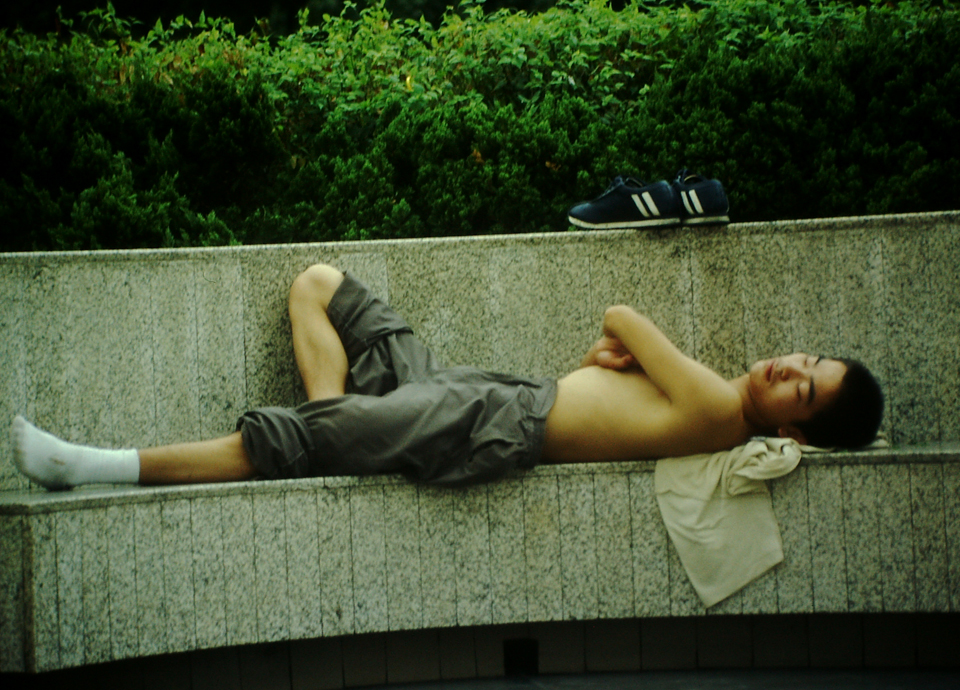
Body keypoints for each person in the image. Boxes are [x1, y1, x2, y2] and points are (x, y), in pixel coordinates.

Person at [13, 263, 884, 490]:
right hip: (486, 392)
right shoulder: (707, 400)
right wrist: (607, 365)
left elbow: (618, 317)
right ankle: (340, 427)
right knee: (320, 288)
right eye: (804, 359)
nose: (785, 367)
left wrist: (617, 351)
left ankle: (94, 467)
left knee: (299, 442)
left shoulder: (720, 408)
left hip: (491, 424)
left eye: (802, 387)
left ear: (793, 430)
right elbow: (599, 365)